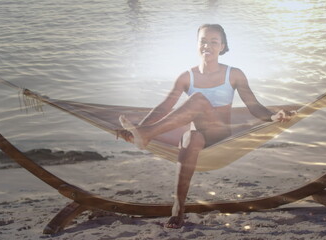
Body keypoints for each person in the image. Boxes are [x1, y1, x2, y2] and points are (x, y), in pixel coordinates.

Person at [118, 24, 295, 229]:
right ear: (196, 44)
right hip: (198, 135)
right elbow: (164, 107)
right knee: (190, 138)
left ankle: (146, 134)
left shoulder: (234, 74)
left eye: (213, 41)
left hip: (220, 134)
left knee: (198, 99)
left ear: (222, 46)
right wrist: (137, 128)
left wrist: (274, 116)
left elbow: (253, 106)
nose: (207, 45)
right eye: (203, 40)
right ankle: (179, 207)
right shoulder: (186, 77)